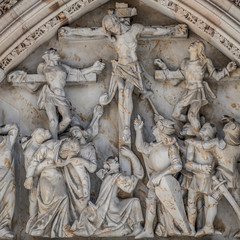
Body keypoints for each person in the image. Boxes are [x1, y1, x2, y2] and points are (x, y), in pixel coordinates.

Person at [99, 14, 186, 142]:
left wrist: (172, 30)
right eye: (110, 29)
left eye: (113, 25)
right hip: (119, 68)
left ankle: (126, 127)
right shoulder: (113, 37)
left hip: (133, 69)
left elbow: (154, 31)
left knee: (127, 91)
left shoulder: (135, 29)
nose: (113, 29)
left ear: (117, 20)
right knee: (122, 90)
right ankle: (126, 127)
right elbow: (88, 32)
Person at [155, 40, 237, 133]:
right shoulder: (184, 62)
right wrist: (164, 68)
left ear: (199, 49)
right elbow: (176, 81)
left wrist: (227, 69)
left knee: (192, 115)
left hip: (198, 91)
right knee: (175, 114)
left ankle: (199, 134)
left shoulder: (205, 61)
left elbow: (216, 76)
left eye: (193, 44)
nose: (191, 44)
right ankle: (196, 124)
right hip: (187, 91)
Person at [134, 114, 190, 238]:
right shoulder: (153, 145)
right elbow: (140, 147)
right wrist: (138, 130)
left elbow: (177, 165)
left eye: (158, 126)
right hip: (155, 178)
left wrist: (161, 175)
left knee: (166, 203)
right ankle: (148, 229)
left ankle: (173, 227)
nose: (154, 127)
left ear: (161, 130)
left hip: (166, 179)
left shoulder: (170, 147)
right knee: (150, 201)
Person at [72, 146, 144, 237]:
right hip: (111, 208)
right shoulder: (115, 176)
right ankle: (137, 228)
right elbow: (136, 179)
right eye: (115, 162)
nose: (117, 162)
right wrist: (132, 156)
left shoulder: (107, 176)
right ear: (108, 165)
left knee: (133, 202)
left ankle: (136, 228)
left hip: (111, 205)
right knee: (135, 202)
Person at [37, 49, 105, 139]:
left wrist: (93, 68)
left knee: (68, 119)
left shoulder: (63, 67)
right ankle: (54, 142)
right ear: (48, 56)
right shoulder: (43, 66)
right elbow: (36, 79)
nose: (57, 54)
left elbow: (78, 72)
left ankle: (51, 135)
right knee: (53, 121)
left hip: (61, 96)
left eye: (56, 52)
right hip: (49, 95)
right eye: (53, 53)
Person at [24, 138, 81, 238]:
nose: (69, 150)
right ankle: (40, 227)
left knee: (64, 198)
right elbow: (34, 161)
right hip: (46, 176)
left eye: (72, 150)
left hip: (58, 178)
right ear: (67, 141)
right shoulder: (49, 146)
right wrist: (29, 177)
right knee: (47, 200)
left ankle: (62, 228)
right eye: (70, 146)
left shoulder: (68, 153)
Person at [185, 123, 224, 236]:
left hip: (210, 179)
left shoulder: (215, 145)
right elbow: (187, 164)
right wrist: (201, 168)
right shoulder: (193, 145)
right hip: (196, 177)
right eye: (203, 128)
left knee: (210, 204)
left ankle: (209, 226)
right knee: (191, 202)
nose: (203, 131)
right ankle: (191, 229)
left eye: (207, 129)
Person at [22, 128, 52, 234]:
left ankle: (36, 224)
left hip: (42, 179)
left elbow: (48, 134)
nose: (42, 135)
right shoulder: (30, 150)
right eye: (40, 134)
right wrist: (44, 164)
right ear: (33, 135)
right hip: (34, 180)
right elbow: (31, 171)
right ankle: (32, 224)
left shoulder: (40, 147)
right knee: (34, 201)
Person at [0, 124, 18, 239]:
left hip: (8, 179)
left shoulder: (7, 141)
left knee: (9, 202)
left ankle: (3, 227)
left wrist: (1, 129)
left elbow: (14, 128)